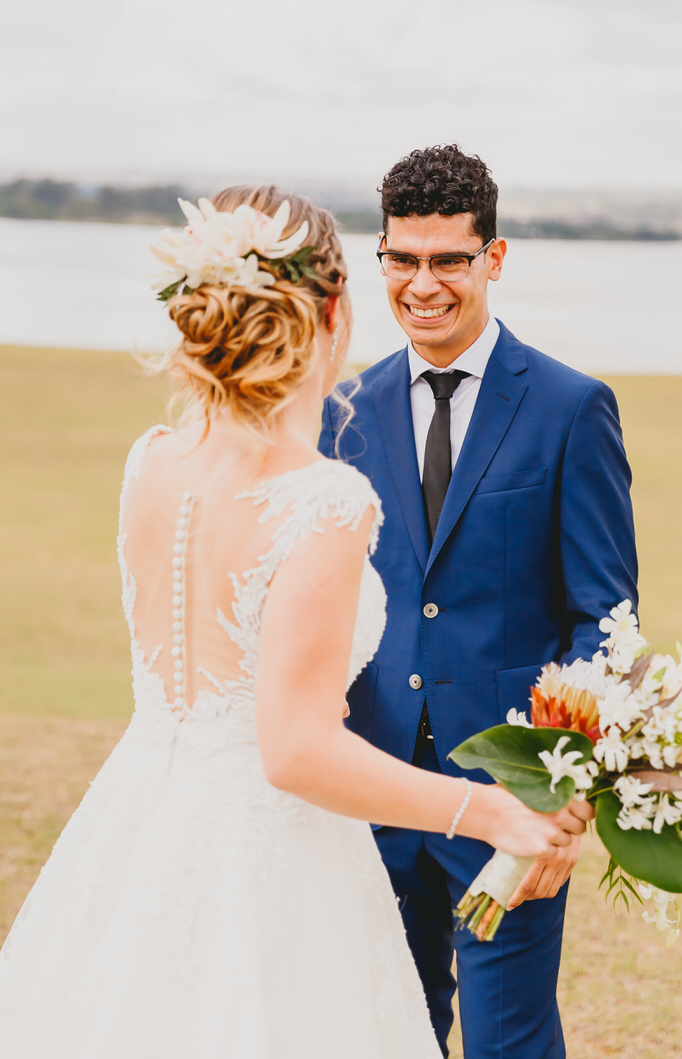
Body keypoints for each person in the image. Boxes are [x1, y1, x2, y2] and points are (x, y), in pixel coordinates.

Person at [0, 184, 592, 1059]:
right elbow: (293, 748)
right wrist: (490, 812)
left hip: (142, 821)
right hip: (273, 846)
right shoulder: (323, 498)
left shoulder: (150, 463)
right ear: (332, 310)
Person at [319, 146, 638, 1059]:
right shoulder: (341, 414)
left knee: (509, 1043)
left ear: (493, 258)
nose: (423, 285)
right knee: (387, 1037)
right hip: (373, 796)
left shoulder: (571, 408)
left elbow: (605, 622)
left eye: (448, 261)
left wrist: (558, 792)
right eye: (402, 259)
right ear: (381, 256)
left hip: (508, 802)